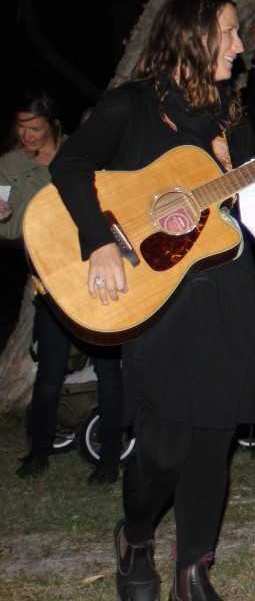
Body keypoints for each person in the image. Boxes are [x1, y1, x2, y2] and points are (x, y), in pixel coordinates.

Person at [50, 0, 255, 601]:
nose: (239, 46)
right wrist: (100, 240)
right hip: (160, 302)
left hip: (227, 297)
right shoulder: (132, 107)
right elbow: (70, 167)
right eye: (227, 32)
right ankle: (135, 536)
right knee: (163, 447)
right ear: (191, 37)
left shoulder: (231, 120)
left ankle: (194, 572)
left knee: (212, 443)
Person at [1, 93, 124, 484]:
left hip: (97, 273)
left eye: (34, 127)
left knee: (109, 370)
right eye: (20, 128)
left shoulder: (83, 150)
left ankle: (109, 457)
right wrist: (2, 218)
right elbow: (11, 231)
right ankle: (37, 451)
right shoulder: (10, 165)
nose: (26, 136)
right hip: (50, 280)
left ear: (52, 125)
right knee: (49, 371)